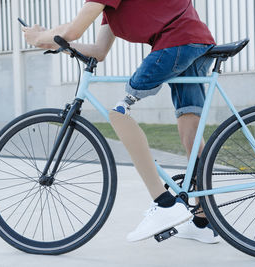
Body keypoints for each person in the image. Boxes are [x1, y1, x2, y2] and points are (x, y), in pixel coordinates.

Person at [22, 0, 220, 244]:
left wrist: (39, 36)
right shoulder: (111, 9)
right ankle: (202, 222)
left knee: (118, 113)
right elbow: (99, 50)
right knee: (189, 129)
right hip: (193, 42)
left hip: (176, 43)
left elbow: (73, 29)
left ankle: (164, 204)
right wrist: (61, 43)